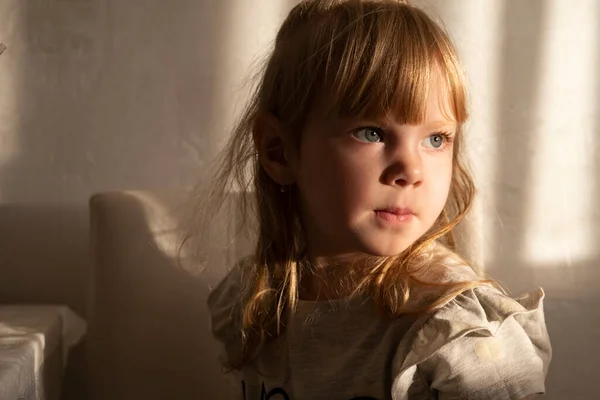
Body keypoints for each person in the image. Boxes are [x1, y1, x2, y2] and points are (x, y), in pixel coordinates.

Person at [201, 0, 552, 399]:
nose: (412, 170)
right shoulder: (254, 302)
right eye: (372, 132)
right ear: (279, 151)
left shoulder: (458, 331)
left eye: (436, 139)